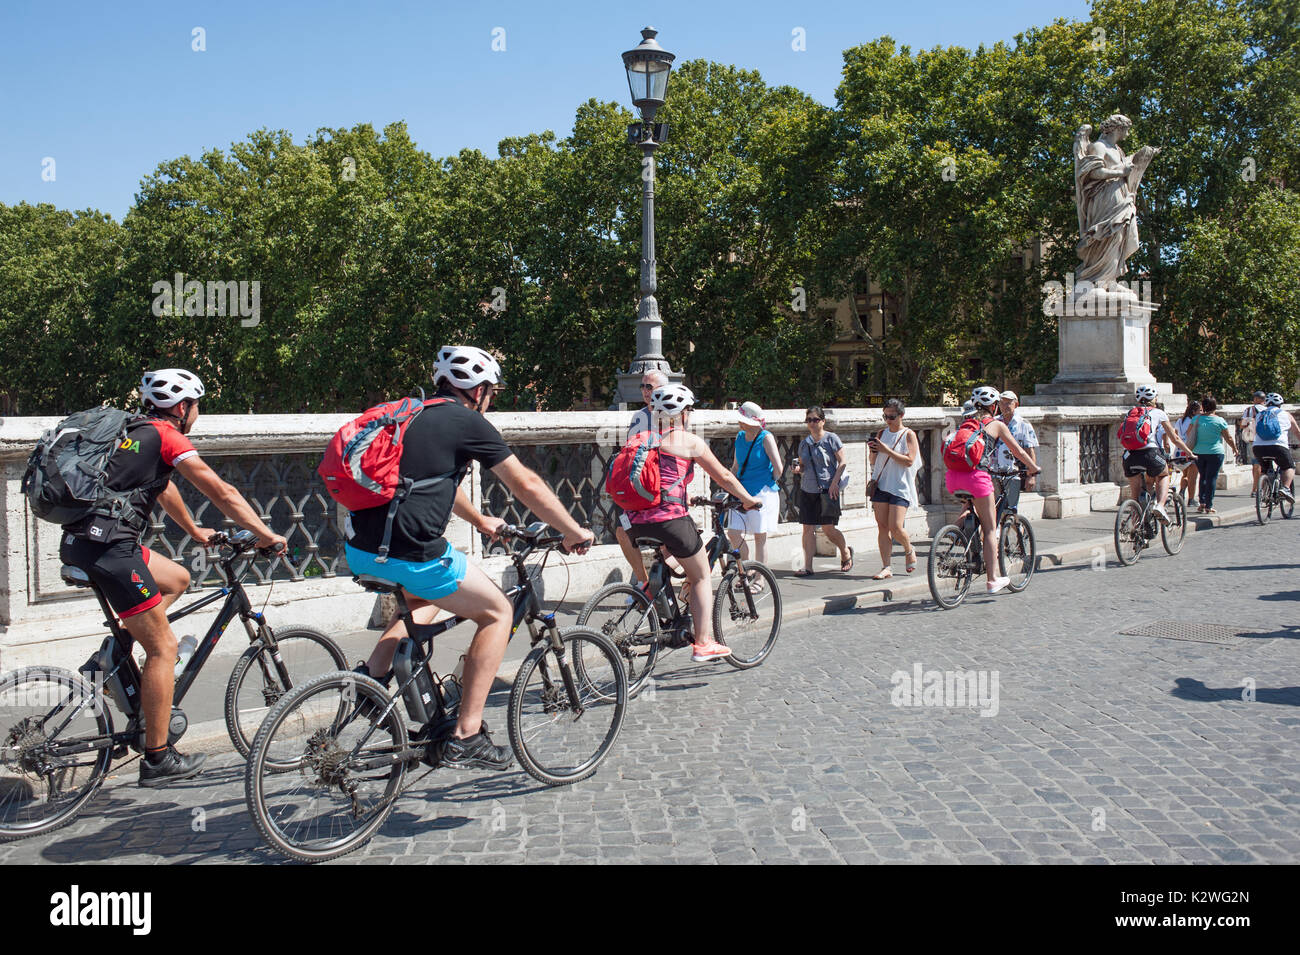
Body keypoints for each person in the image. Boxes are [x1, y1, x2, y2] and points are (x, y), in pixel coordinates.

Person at [346, 345, 595, 771]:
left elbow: (430, 481)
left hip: (361, 550)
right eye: (491, 392)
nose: (491, 399)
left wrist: (479, 519)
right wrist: (573, 530)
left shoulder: (410, 414)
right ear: (477, 390)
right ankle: (468, 734)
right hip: (411, 550)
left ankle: (373, 677)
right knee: (497, 612)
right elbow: (526, 484)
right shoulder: (468, 422)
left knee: (424, 598)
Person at [59, 369, 287, 787]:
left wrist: (196, 532)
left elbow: (161, 488)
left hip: (84, 542)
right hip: (112, 550)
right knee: (164, 648)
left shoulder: (132, 431)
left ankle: (115, 653)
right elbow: (222, 492)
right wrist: (265, 534)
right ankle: (158, 758)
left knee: (177, 578)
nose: (196, 414)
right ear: (183, 407)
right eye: (196, 406)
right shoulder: (167, 435)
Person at [626, 384, 760, 661]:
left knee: (673, 557)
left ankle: (653, 594)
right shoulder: (689, 442)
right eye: (690, 410)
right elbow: (723, 476)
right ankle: (703, 642)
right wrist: (748, 499)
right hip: (669, 520)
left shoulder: (641, 438)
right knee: (700, 575)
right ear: (684, 413)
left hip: (635, 521)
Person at [945, 386, 1041, 594]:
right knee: (990, 529)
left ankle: (963, 545)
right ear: (994, 405)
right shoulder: (996, 424)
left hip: (953, 478)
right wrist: (1033, 468)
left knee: (971, 512)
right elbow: (1018, 451)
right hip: (977, 478)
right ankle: (992, 579)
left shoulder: (966, 424)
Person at [613, 369, 669, 585]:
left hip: (663, 486)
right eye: (642, 386)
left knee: (667, 541)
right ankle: (643, 583)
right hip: (640, 485)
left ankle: (664, 583)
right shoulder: (638, 417)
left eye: (650, 386)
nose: (645, 391)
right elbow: (630, 450)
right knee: (623, 531)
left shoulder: (672, 416)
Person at [1120, 384, 1194, 524]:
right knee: (1163, 474)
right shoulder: (1159, 413)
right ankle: (1160, 505)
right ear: (1154, 398)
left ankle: (1136, 529)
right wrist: (1190, 453)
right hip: (1150, 453)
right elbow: (1175, 438)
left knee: (1135, 497)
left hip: (1129, 456)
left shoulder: (1130, 412)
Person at [726, 401, 783, 579]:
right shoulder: (739, 437)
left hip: (762, 493)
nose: (739, 423)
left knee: (760, 537)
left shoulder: (766, 437)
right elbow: (736, 466)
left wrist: (764, 484)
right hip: (741, 491)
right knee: (733, 533)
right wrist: (729, 483)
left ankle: (760, 579)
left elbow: (778, 468)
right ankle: (747, 567)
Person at [793, 406, 853, 576]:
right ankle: (808, 566)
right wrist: (798, 468)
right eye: (809, 420)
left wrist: (834, 484)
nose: (812, 423)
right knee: (807, 529)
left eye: (815, 420)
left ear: (823, 421)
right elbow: (803, 466)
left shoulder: (831, 439)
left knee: (828, 528)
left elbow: (842, 462)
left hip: (828, 490)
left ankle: (845, 551)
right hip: (808, 489)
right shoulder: (805, 443)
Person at [867, 398, 919, 579]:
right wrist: (874, 451)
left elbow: (910, 460)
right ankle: (886, 567)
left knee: (896, 527)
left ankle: (908, 548)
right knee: (882, 527)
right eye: (885, 416)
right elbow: (872, 461)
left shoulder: (908, 435)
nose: (888, 420)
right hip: (881, 485)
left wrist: (886, 450)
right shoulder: (881, 433)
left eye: (892, 416)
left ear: (901, 415)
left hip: (900, 485)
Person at [1186, 396, 1236, 514]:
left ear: (1203, 406)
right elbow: (1227, 437)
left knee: (1203, 476)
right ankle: (1209, 505)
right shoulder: (1220, 420)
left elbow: (1189, 433)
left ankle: (1202, 502)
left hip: (1198, 452)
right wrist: (1234, 448)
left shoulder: (1196, 419)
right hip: (1215, 452)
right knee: (1211, 478)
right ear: (1215, 407)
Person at [1250, 392, 1299, 502]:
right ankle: (1286, 489)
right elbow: (1297, 432)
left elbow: (1254, 431)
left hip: (1258, 447)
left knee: (1264, 469)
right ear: (1281, 404)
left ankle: (1262, 493)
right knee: (1289, 467)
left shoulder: (1259, 415)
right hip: (1278, 447)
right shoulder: (1286, 414)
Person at [994, 391, 1038, 492]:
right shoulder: (994, 422)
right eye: (1002, 403)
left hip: (1014, 473)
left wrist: (1031, 476)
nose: (1005, 406)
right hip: (993, 473)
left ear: (1016, 404)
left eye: (1008, 403)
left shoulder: (1024, 424)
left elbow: (1029, 450)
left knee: (1010, 505)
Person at [1239, 390, 1267, 496]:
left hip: (1253, 439)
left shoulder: (1249, 410)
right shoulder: (1269, 410)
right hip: (1268, 440)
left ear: (1255, 399)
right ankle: (1266, 487)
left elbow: (1242, 425)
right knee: (1266, 464)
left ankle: (1255, 489)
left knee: (1256, 464)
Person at [1173, 400, 1201, 504]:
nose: (1201, 412)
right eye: (1199, 410)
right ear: (1194, 412)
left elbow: (1175, 434)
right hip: (1191, 449)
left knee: (1185, 474)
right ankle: (1191, 499)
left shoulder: (1180, 420)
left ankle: (1182, 492)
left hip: (1180, 450)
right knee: (1192, 476)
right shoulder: (1194, 421)